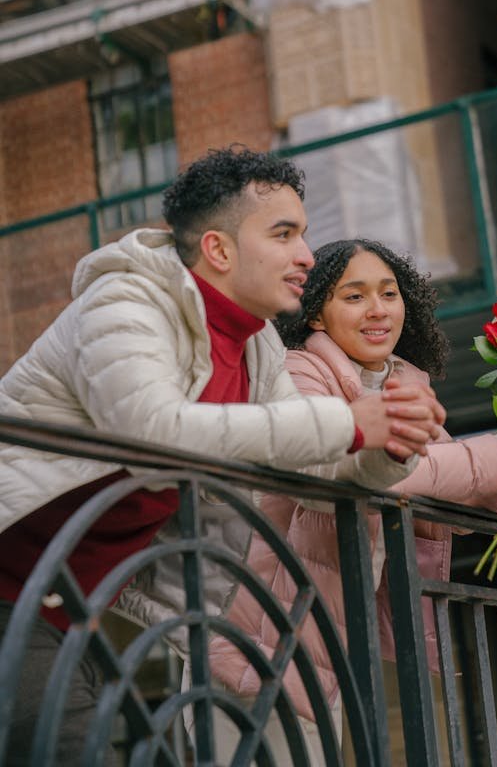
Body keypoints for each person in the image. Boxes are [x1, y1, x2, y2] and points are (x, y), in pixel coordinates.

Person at [0, 149, 444, 766]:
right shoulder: (127, 302)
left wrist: (392, 442)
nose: (307, 256)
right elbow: (151, 435)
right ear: (219, 250)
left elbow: (311, 465)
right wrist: (347, 422)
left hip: (68, 605)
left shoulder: (257, 342)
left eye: (304, 235)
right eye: (283, 234)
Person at [209, 238, 497, 764]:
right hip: (267, 638)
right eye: (355, 296)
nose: (379, 309)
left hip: (334, 638)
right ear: (316, 312)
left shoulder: (403, 380)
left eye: (389, 292)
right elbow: (379, 474)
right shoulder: (295, 373)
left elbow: (459, 488)